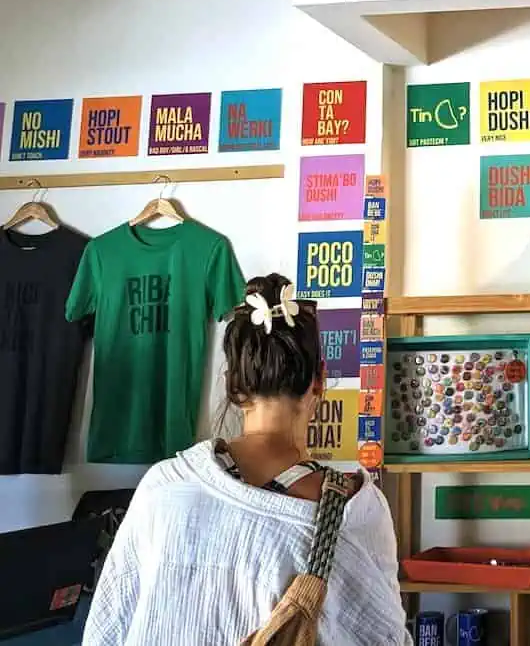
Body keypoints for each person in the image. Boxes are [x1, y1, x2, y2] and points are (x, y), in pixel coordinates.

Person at [83, 274, 409, 646]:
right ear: (319, 379)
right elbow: (382, 637)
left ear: (232, 384)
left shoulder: (165, 484)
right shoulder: (354, 508)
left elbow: (109, 624)